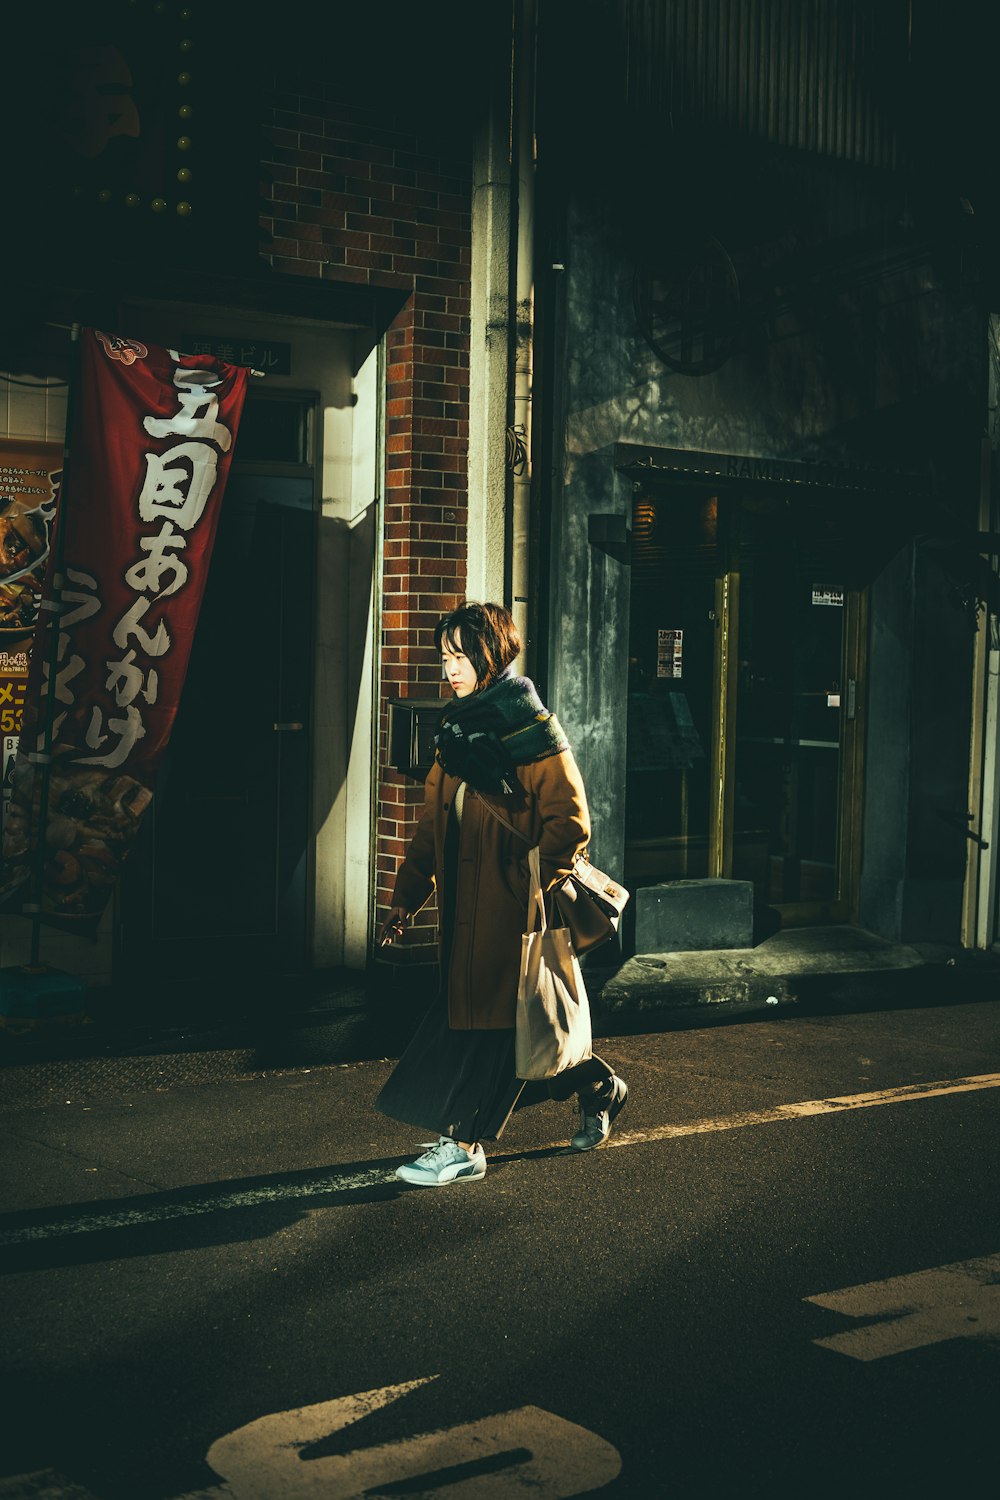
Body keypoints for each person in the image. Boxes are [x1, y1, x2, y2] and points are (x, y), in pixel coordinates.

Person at [375, 600, 628, 1187]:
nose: (450, 669)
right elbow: (430, 830)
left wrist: (528, 886)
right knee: (516, 1030)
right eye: (445, 658)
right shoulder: (456, 733)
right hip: (462, 913)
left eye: (460, 656)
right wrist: (404, 901)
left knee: (488, 1030)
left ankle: (461, 1144)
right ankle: (598, 1088)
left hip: (512, 914)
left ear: (489, 655)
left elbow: (570, 824)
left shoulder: (532, 731)